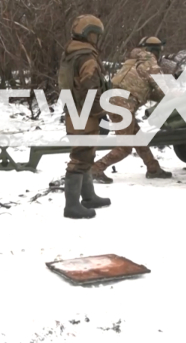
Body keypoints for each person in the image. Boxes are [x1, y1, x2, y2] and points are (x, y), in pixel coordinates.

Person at [91, 36, 173, 183]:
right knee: (125, 147)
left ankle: (153, 168)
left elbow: (143, 88)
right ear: (155, 51)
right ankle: (95, 169)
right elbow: (162, 90)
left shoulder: (134, 61)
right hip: (123, 105)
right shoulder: (149, 63)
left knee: (138, 138)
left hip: (116, 101)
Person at [58, 15, 111, 218]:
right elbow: (90, 89)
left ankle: (88, 197)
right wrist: (101, 114)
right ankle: (71, 207)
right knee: (80, 157)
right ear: (89, 34)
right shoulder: (86, 57)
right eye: (95, 35)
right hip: (85, 112)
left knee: (86, 153)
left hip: (74, 109)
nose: (96, 39)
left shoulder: (71, 53)